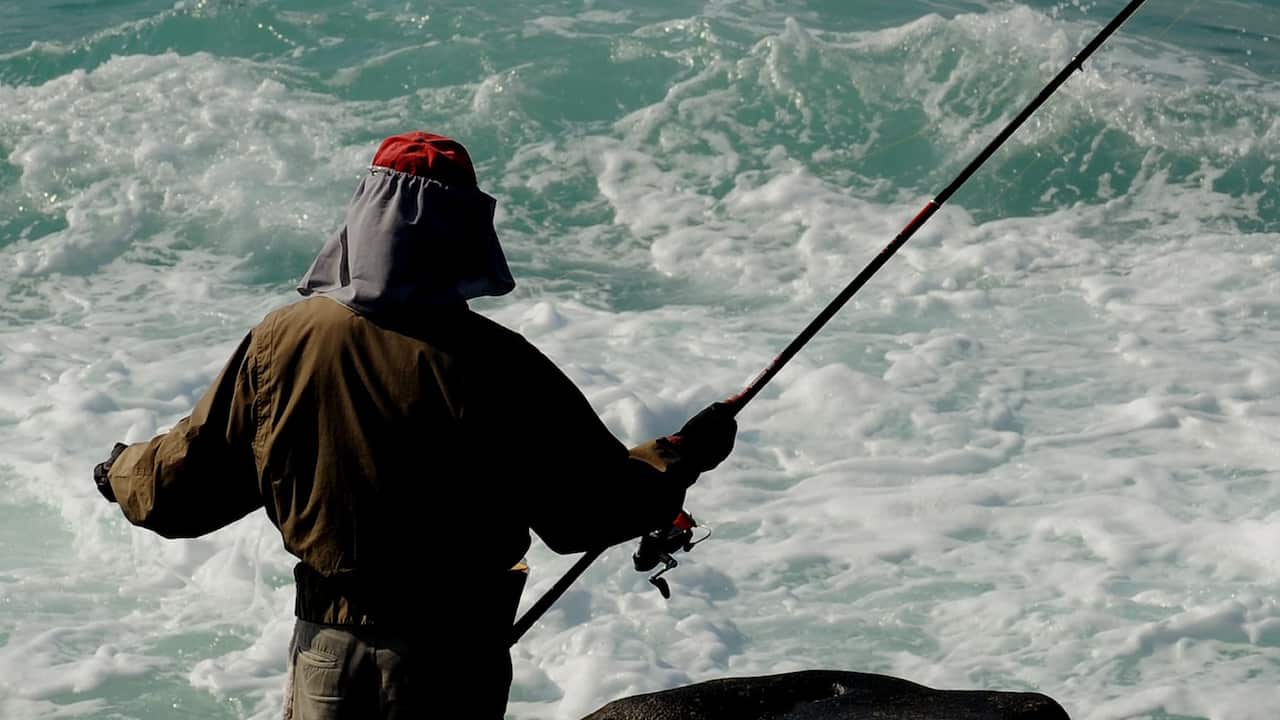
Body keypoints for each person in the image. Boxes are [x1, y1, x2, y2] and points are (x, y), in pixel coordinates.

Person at [91, 131, 738, 719]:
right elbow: (584, 513)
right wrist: (678, 457)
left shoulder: (280, 340)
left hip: (326, 654)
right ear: (464, 230)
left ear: (364, 216)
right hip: (450, 664)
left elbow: (186, 484)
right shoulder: (499, 363)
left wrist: (119, 471)